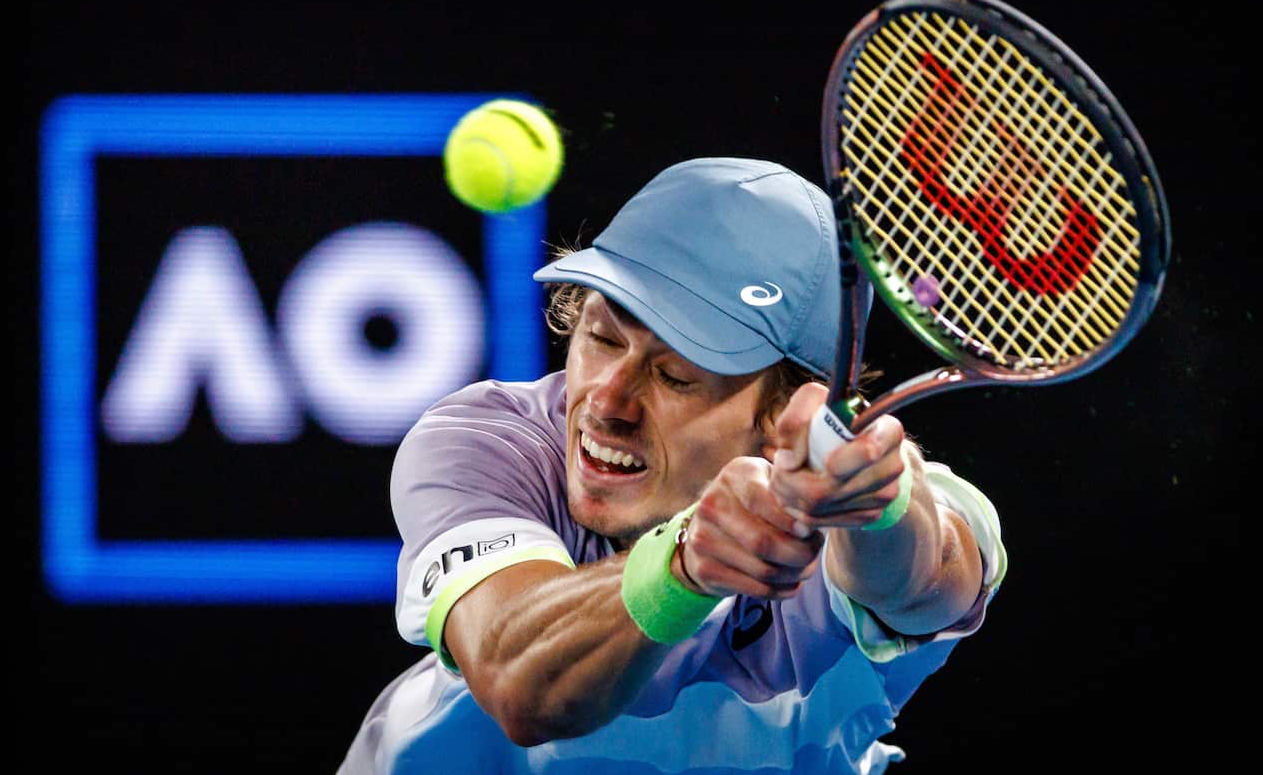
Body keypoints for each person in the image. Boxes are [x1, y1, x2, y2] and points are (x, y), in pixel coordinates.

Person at [338, 157, 1006, 774]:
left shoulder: (885, 502)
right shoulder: (487, 442)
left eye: (674, 375)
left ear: (781, 410)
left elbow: (926, 573)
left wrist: (876, 507)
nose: (604, 400)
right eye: (601, 336)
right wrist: (685, 564)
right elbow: (520, 683)